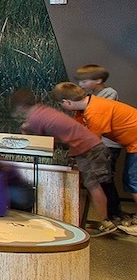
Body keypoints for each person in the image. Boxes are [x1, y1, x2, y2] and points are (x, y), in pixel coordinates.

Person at [12, 88, 111, 232]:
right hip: (87, 148)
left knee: (94, 186)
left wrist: (25, 130)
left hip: (90, 150)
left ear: (20, 107)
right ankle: (105, 220)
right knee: (93, 186)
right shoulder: (42, 111)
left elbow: (37, 143)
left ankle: (106, 222)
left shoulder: (35, 118)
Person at [52, 82, 137, 232]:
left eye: (61, 104)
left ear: (67, 102)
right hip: (132, 144)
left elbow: (91, 142)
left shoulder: (95, 111)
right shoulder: (84, 109)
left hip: (135, 143)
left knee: (133, 180)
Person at [73, 64, 128, 222]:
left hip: (107, 144)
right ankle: (111, 215)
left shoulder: (108, 94)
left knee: (105, 180)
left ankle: (114, 214)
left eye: (84, 81)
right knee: (102, 180)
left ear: (98, 80)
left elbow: (99, 115)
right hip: (99, 144)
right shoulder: (92, 97)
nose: (81, 85)